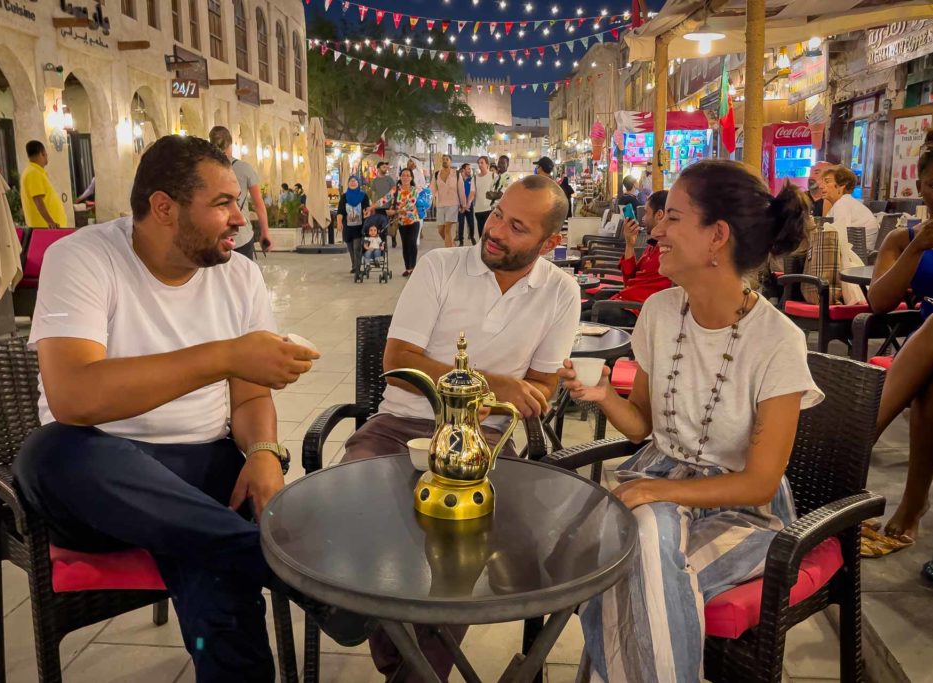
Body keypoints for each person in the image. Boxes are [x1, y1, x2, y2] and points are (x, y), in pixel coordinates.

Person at [12, 135, 363, 682]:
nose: (240, 219)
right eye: (223, 203)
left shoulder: (239, 276)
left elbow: (248, 397)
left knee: (219, 600)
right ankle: (285, 567)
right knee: (51, 449)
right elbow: (74, 397)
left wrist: (266, 452)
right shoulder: (82, 258)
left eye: (239, 203)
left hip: (203, 472)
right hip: (100, 483)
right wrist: (225, 354)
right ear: (163, 208)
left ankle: (247, 559)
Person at [559, 160, 821, 682]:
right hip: (660, 479)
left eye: (673, 217)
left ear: (716, 237)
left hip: (745, 513)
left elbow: (760, 481)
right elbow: (641, 429)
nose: (655, 229)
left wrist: (659, 496)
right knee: (639, 563)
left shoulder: (778, 343)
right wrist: (604, 394)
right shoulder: (659, 311)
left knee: (626, 562)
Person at [343, 175, 581, 680]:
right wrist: (496, 385)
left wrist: (509, 395)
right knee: (355, 505)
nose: (494, 231)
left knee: (465, 557)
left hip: (487, 440)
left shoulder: (560, 292)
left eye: (516, 227)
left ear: (550, 242)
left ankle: (400, 657)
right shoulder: (441, 266)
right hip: (400, 424)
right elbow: (398, 362)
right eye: (497, 214)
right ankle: (368, 614)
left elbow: (537, 389)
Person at [866, 125, 933, 551]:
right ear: (919, 187)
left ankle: (860, 436)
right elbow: (879, 303)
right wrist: (916, 248)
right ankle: (912, 505)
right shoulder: (902, 238)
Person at [593, 190, 673, 326]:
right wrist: (630, 244)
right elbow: (630, 280)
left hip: (636, 312)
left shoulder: (668, 251)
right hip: (625, 303)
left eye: (646, 213)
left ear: (659, 215)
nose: (643, 218)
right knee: (583, 305)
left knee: (577, 317)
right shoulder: (653, 246)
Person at [209, 126, 270, 259]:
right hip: (241, 236)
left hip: (215, 236)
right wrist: (265, 233)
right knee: (242, 277)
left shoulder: (205, 169)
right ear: (231, 144)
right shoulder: (245, 168)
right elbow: (259, 205)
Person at [822, 164, 880, 248]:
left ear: (841, 186)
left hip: (856, 256)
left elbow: (840, 238)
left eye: (827, 182)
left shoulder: (842, 204)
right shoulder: (846, 202)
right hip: (859, 254)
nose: (821, 186)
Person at [20, 140, 67, 228]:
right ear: (42, 153)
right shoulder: (33, 173)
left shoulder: (36, 171)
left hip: (49, 227)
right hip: (46, 227)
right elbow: (38, 200)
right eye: (46, 153)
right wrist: (50, 222)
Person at [384, 167, 421, 276]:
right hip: (401, 222)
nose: (405, 177)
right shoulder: (395, 190)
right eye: (403, 175)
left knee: (412, 243)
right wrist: (372, 207)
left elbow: (410, 205)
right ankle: (408, 268)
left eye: (407, 175)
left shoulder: (415, 190)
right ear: (400, 177)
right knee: (405, 244)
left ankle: (413, 268)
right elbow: (384, 199)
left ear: (411, 177)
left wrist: (394, 211)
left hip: (413, 220)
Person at [337, 175, 370, 275]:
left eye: (355, 181)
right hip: (347, 226)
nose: (352, 182)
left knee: (357, 247)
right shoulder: (344, 196)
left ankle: (357, 267)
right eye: (350, 181)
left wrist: (366, 215)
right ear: (348, 183)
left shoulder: (363, 196)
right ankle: (354, 265)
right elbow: (340, 211)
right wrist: (339, 223)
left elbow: (367, 209)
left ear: (358, 183)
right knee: (350, 247)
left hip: (360, 226)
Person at [431, 154, 460, 248]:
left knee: (447, 228)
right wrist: (431, 201)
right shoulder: (436, 174)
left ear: (450, 161)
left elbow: (461, 189)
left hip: (453, 204)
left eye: (447, 159)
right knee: (440, 230)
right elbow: (432, 189)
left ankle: (448, 252)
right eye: (443, 159)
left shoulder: (456, 174)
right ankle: (452, 245)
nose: (444, 161)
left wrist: (464, 204)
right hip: (440, 204)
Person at [370, 161, 397, 247]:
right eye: (383, 167)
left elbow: (394, 191)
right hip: (378, 207)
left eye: (386, 167)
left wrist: (392, 204)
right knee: (381, 227)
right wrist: (373, 205)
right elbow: (373, 194)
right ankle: (383, 243)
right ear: (378, 169)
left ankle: (393, 238)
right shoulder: (374, 181)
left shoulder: (389, 179)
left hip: (389, 206)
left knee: (391, 225)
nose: (385, 169)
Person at [473, 155, 496, 241]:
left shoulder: (493, 176)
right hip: (478, 209)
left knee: (489, 231)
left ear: (487, 164)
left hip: (490, 208)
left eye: (482, 163)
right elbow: (473, 192)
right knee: (480, 232)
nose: (480, 165)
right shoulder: (475, 178)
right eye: (479, 163)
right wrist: (467, 203)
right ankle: (481, 250)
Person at [456, 162, 476, 246]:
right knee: (461, 224)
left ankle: (472, 237)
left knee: (471, 223)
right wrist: (461, 205)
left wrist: (468, 203)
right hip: (460, 206)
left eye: (470, 169)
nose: (470, 170)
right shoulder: (458, 180)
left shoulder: (471, 180)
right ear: (463, 170)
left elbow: (473, 192)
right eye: (468, 169)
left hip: (469, 205)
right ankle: (461, 240)